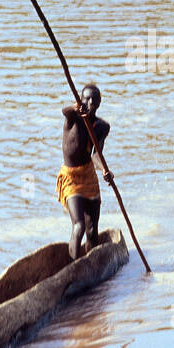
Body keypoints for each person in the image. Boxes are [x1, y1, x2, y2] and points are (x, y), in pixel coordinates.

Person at [56, 83, 112, 259]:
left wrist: (105, 170)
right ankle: (74, 266)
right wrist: (75, 107)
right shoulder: (73, 118)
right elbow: (65, 111)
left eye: (93, 100)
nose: (89, 103)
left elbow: (96, 155)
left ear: (99, 103)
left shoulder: (102, 127)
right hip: (71, 179)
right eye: (86, 99)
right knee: (78, 226)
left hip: (89, 177)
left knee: (92, 230)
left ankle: (91, 263)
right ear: (80, 100)